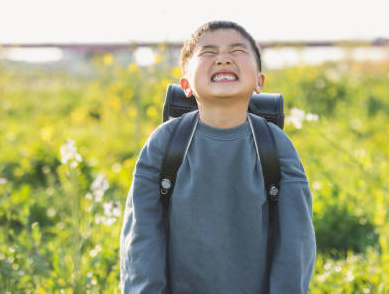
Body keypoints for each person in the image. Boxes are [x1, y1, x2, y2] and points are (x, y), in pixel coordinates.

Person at [119, 21, 316, 293]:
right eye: (208, 52)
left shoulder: (275, 145)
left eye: (237, 51)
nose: (223, 58)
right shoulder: (164, 144)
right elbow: (141, 238)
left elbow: (296, 243)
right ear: (185, 84)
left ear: (260, 81)